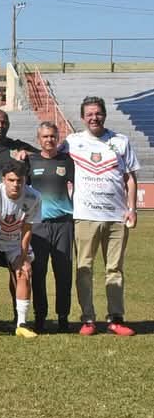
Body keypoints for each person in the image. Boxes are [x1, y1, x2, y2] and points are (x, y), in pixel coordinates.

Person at [63, 96, 139, 336]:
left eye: (98, 113)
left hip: (116, 217)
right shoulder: (72, 142)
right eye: (89, 114)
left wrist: (132, 208)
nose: (94, 117)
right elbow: (48, 152)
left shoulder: (120, 141)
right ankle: (88, 319)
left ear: (104, 114)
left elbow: (130, 178)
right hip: (85, 216)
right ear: (83, 117)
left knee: (114, 269)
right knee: (84, 267)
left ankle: (115, 318)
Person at [0, 159, 42, 338]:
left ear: (25, 180)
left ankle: (21, 323)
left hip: (16, 240)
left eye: (20, 180)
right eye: (11, 180)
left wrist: (23, 257)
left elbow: (27, 229)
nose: (16, 184)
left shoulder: (34, 197)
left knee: (24, 271)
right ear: (3, 180)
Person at [27, 121, 74, 333]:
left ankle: (63, 317)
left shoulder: (67, 161)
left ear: (58, 138)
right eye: (45, 136)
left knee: (63, 272)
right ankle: (40, 316)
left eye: (53, 136)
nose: (49, 140)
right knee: (38, 272)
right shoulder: (30, 161)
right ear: (39, 139)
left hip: (63, 223)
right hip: (38, 226)